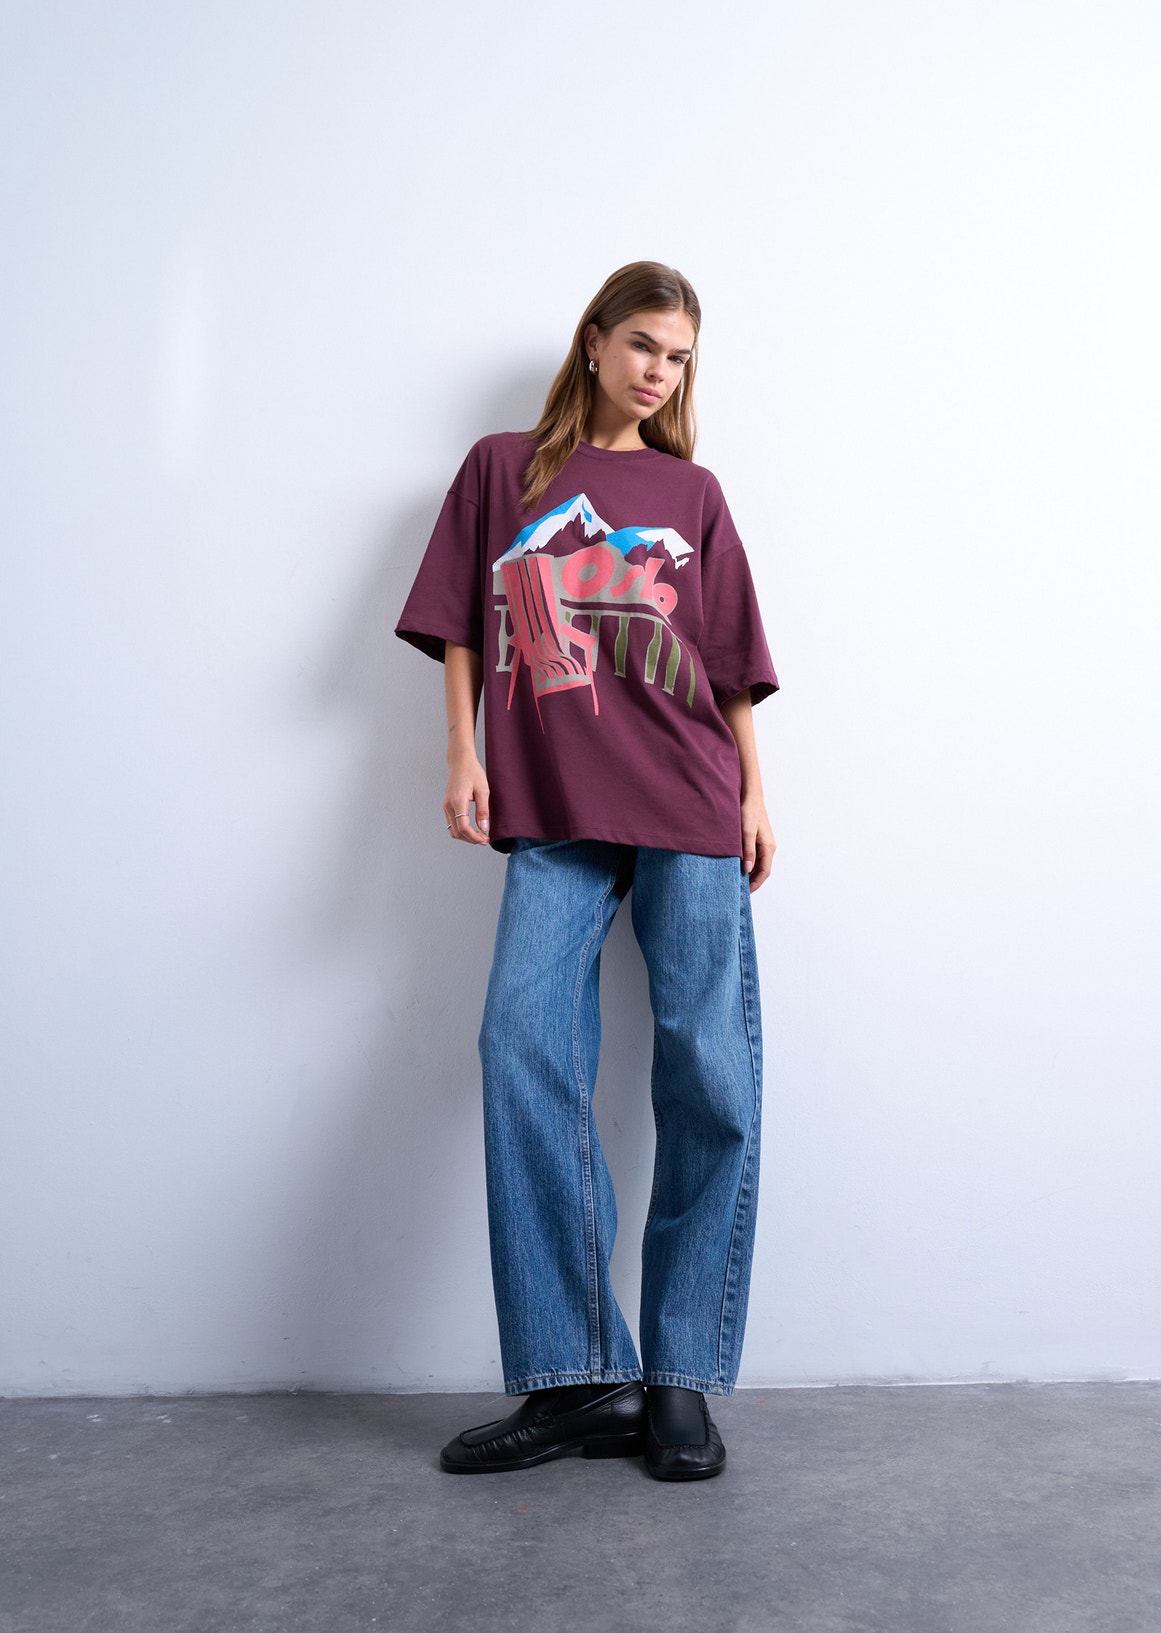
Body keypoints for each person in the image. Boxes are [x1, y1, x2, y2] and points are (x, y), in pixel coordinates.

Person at [395, 261, 777, 1481]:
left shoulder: (691, 493)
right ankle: (576, 1375)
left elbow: (726, 664)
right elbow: (458, 622)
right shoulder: (502, 469)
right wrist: (461, 751)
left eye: (680, 357)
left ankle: (679, 1376)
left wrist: (753, 789)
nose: (660, 371)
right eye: (646, 345)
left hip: (687, 798)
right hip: (555, 810)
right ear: (596, 339)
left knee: (707, 1075)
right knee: (520, 1045)